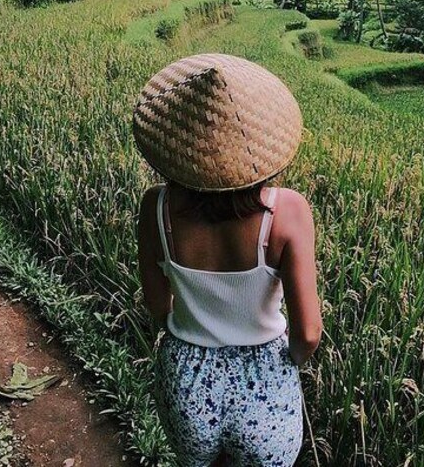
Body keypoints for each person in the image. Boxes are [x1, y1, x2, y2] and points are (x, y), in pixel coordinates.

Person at [132, 54, 322, 466]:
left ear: (178, 147)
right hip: (265, 384)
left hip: (186, 376)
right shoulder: (287, 212)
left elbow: (156, 304)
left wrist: (189, 332)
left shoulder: (157, 207)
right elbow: (308, 333)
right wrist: (282, 367)